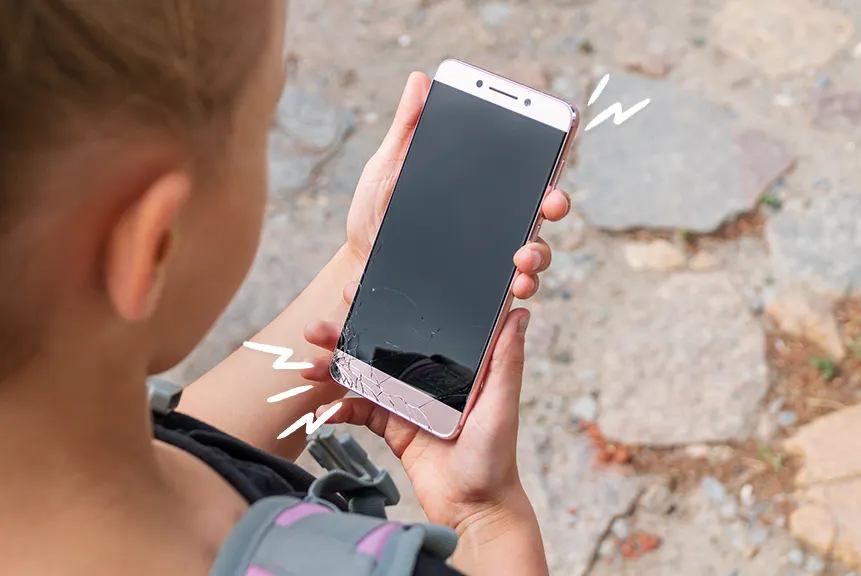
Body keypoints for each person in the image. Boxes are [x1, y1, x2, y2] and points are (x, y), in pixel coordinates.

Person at [0, 1, 572, 575]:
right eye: (264, 125)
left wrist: (363, 262)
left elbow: (196, 446)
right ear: (155, 242)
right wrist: (486, 515)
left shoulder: (86, 447)